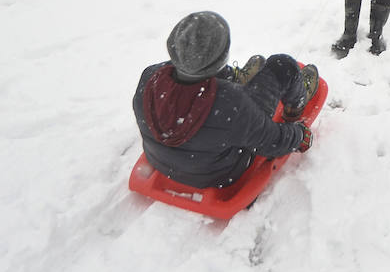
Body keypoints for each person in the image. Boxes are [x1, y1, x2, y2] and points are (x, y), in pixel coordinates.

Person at [133, 11, 319, 189]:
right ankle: (296, 106)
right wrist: (299, 136)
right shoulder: (230, 104)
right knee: (282, 65)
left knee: (198, 76)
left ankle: (231, 76)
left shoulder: (150, 77)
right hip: (219, 172)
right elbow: (271, 142)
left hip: (162, 161)